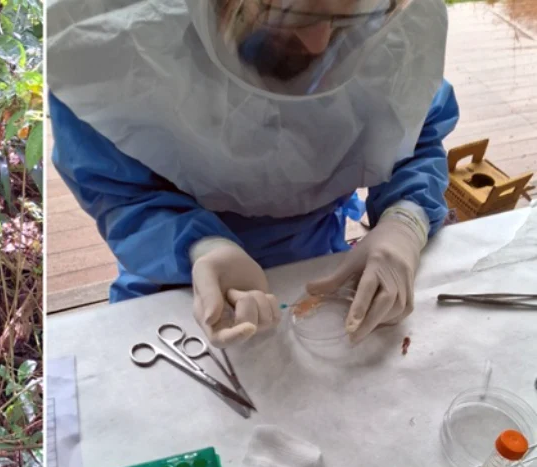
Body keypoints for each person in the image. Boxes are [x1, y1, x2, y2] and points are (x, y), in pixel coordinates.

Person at [47, 0, 460, 346]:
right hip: (172, 285)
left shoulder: (397, 31)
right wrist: (201, 247)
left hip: (316, 268)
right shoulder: (106, 50)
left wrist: (405, 220)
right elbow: (119, 192)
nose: (318, 41)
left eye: (352, 18)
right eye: (288, 12)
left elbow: (413, 134)